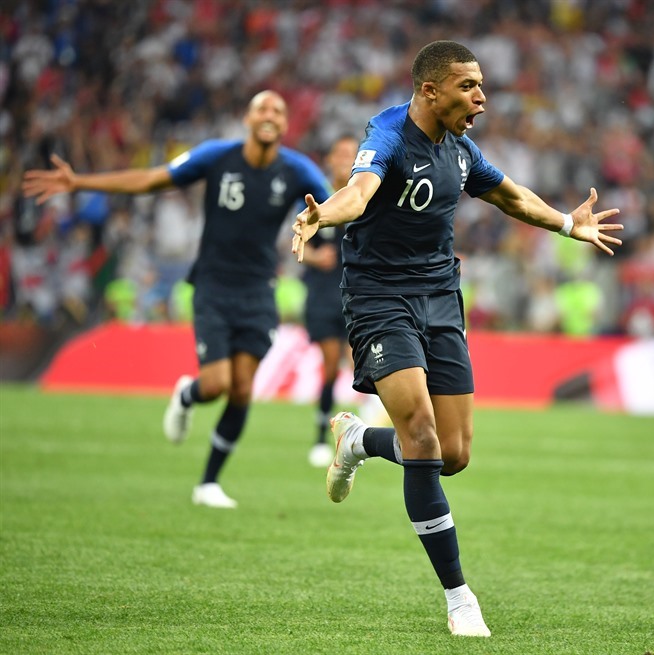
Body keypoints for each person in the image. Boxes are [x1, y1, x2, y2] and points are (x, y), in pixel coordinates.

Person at [292, 40, 623, 638]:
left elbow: (512, 197)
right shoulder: (388, 133)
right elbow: (360, 190)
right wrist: (323, 215)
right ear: (430, 90)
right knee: (420, 432)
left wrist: (569, 223)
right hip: (378, 299)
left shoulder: (461, 150)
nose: (481, 98)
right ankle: (459, 596)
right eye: (469, 87)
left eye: (481, 86)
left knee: (454, 454)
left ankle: (358, 440)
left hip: (441, 299)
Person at [23, 90, 332, 509]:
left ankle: (208, 483)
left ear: (284, 123)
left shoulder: (297, 170)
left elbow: (337, 207)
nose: (269, 114)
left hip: (260, 291)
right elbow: (151, 179)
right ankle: (187, 396)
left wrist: (332, 220)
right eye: (262, 107)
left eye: (278, 110)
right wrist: (80, 181)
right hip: (213, 286)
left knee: (242, 390)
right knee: (217, 384)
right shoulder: (217, 156)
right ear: (247, 117)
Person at [301, 134, 359, 468]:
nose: (344, 159)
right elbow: (297, 240)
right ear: (331, 159)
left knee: (360, 363)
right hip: (323, 294)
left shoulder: (364, 196)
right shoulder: (316, 199)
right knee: (329, 363)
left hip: (356, 293)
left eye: (350, 154)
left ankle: (364, 426)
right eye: (339, 153)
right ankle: (321, 437)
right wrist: (312, 256)